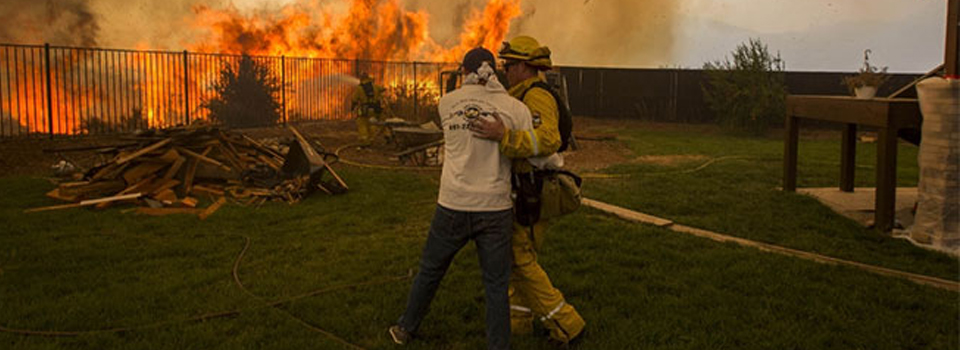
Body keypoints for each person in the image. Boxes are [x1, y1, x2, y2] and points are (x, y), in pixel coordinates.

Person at [388, 47, 532, 350]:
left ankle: (405, 329)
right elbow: (530, 149)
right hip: (495, 207)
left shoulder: (446, 104)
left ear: (464, 72)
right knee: (496, 284)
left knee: (430, 269)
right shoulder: (515, 108)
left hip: (452, 204)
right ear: (495, 71)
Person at [470, 35, 585, 346]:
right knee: (514, 257)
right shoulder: (522, 94)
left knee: (521, 259)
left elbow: (546, 139)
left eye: (509, 65)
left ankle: (567, 324)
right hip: (525, 187)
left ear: (524, 66)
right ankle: (518, 321)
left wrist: (503, 136)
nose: (506, 70)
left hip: (533, 188)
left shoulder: (536, 96)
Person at [351, 74, 386, 146]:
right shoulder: (375, 86)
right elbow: (383, 89)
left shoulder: (359, 88)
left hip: (364, 110)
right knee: (372, 123)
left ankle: (364, 140)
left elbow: (354, 99)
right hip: (374, 109)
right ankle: (371, 139)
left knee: (362, 124)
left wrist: (353, 107)